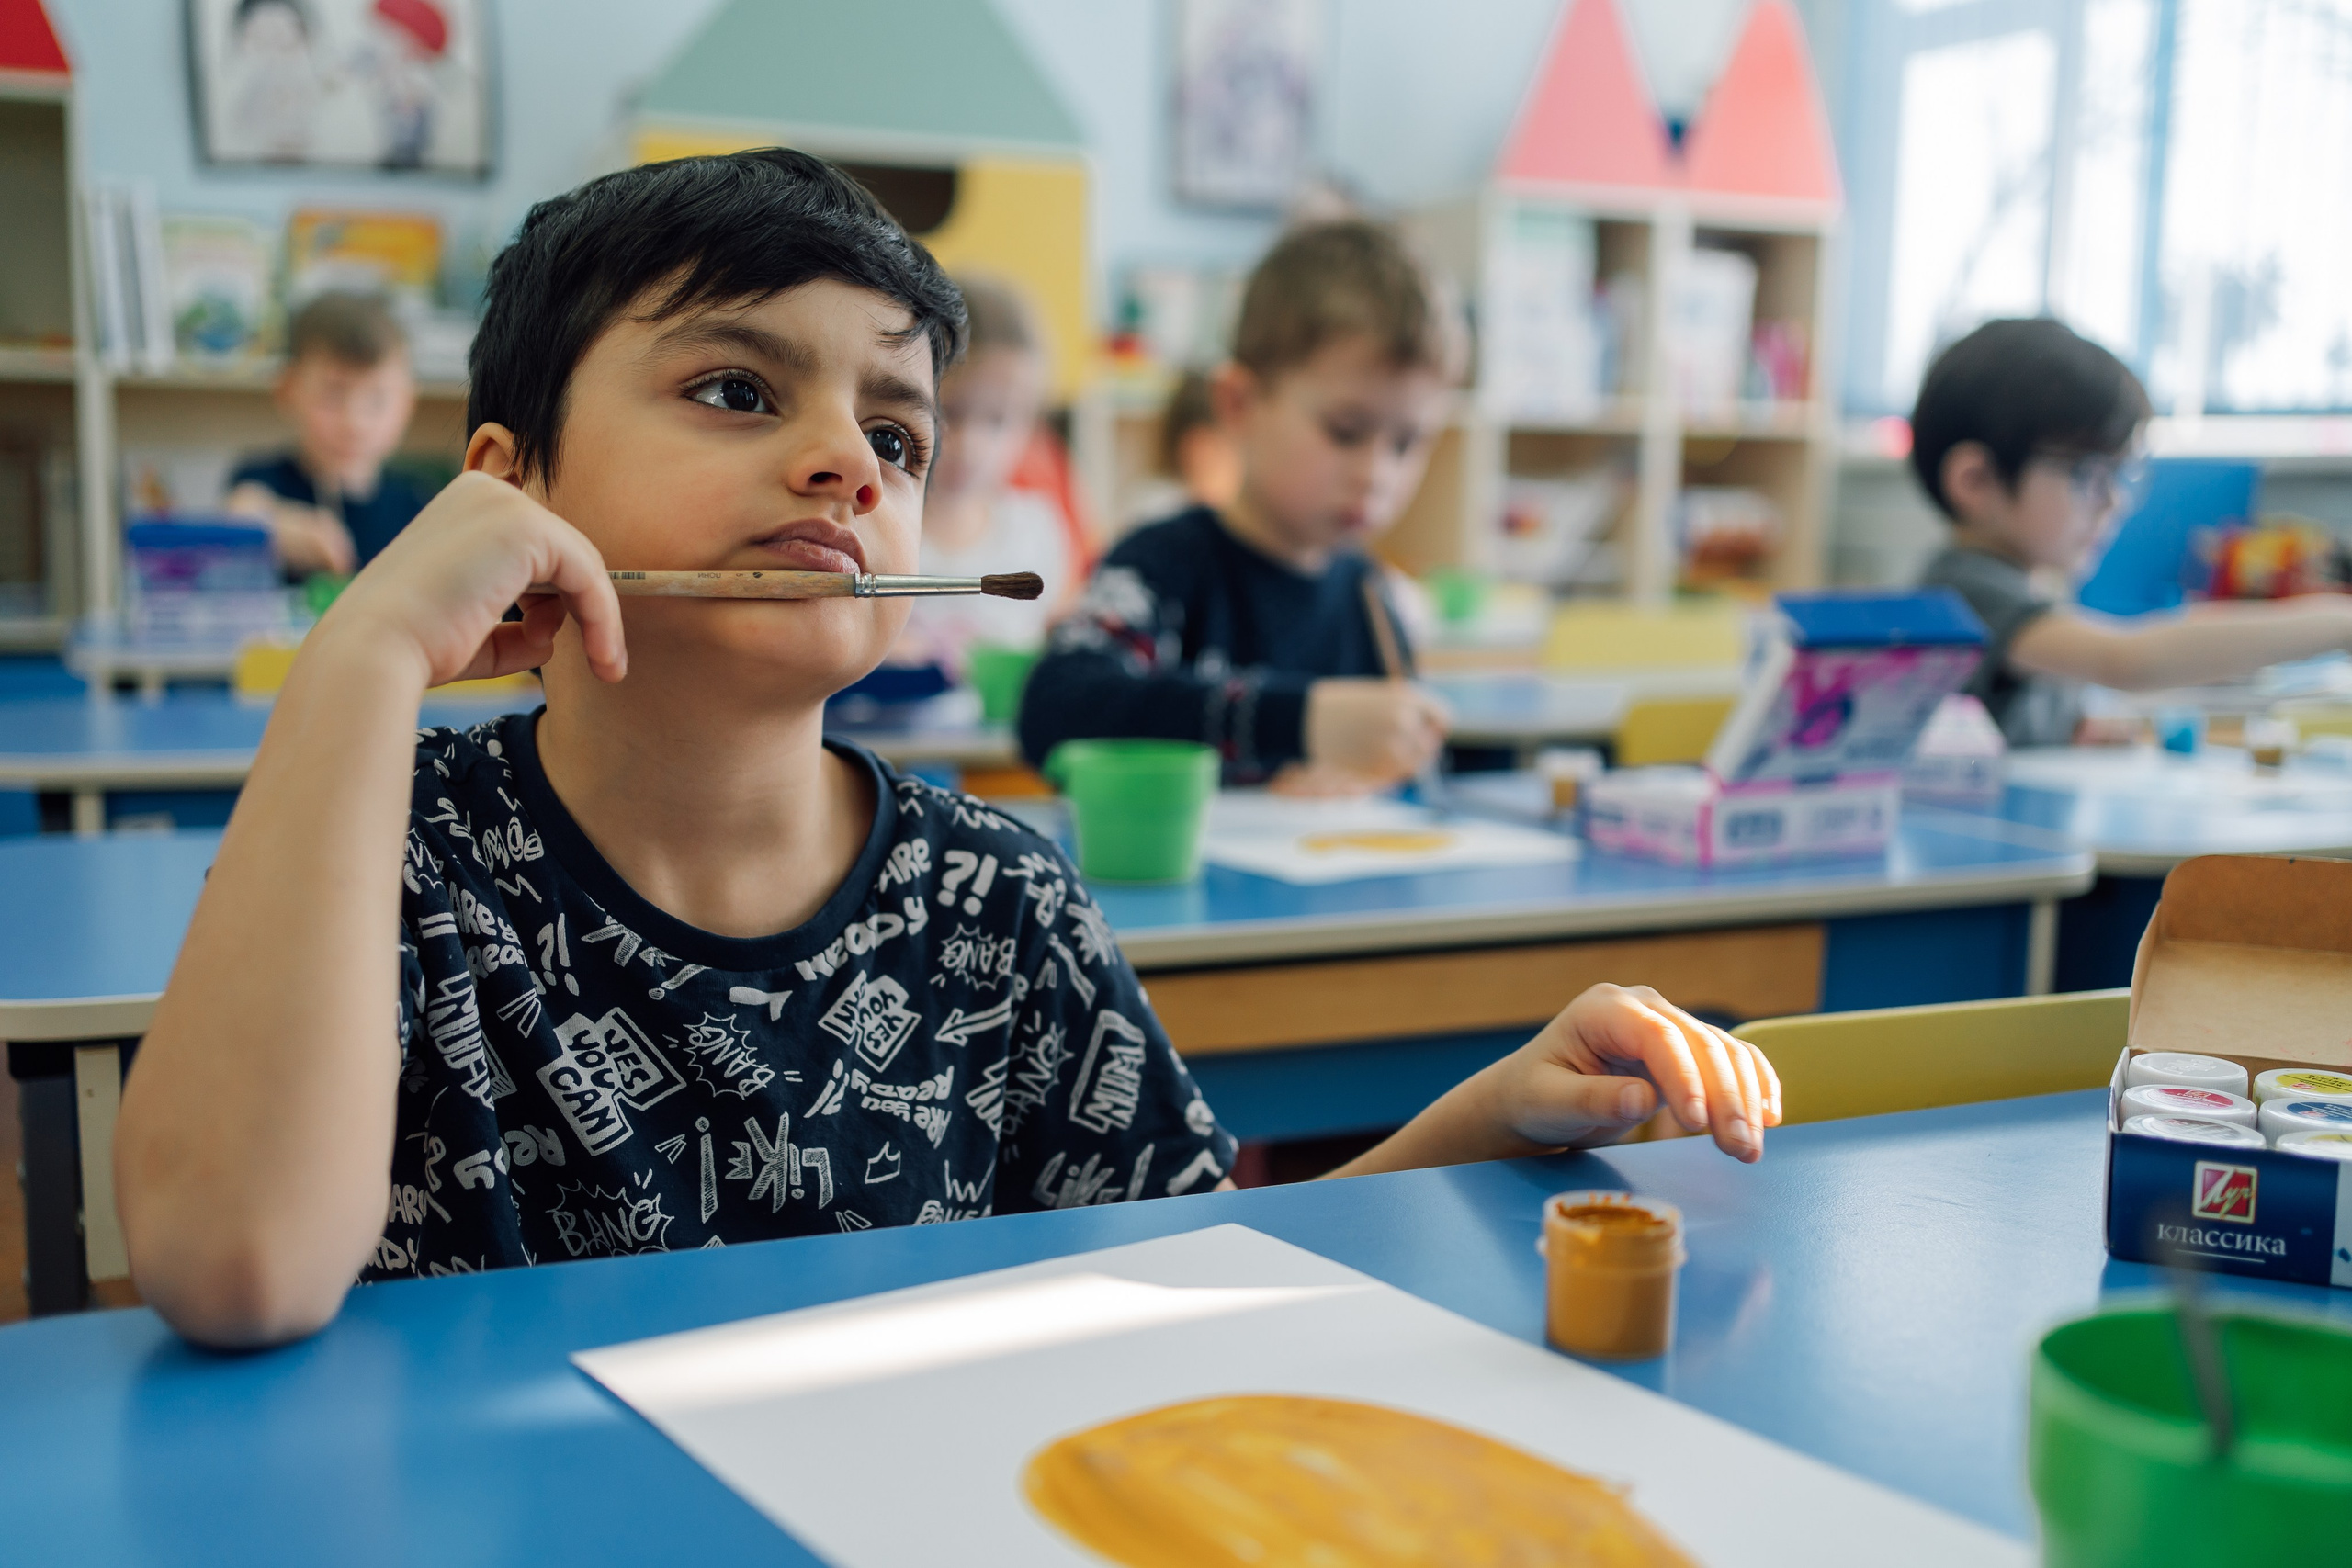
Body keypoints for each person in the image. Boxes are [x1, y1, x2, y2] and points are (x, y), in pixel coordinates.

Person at [114, 151, 1779, 1349]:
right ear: (509, 489)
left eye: (895, 432)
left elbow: (1199, 1274)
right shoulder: (380, 850)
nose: (849, 459)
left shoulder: (993, 896)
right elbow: (235, 1267)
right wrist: (365, 655)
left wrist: (1498, 1112)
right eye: (737, 391)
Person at [1020, 221, 1453, 793]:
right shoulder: (1162, 564)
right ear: (1239, 404)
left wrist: (1389, 771)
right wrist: (1303, 722)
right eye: (1346, 431)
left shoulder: (1373, 600)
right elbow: (1056, 709)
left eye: (1407, 442)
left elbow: (1410, 788)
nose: (1379, 474)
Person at [1914, 317, 2352, 745]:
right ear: (1976, 480)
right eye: (2087, 474)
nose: (2114, 501)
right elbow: (2128, 660)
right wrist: (2341, 622)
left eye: (2121, 475)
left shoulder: (2028, 590)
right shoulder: (1963, 594)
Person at [891, 276, 1079, 673]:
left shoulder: (1035, 530)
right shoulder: (879, 522)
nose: (970, 445)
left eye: (998, 421)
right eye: (951, 411)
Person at [225, 290, 428, 581]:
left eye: (377, 400)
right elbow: (240, 514)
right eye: (333, 394)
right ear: (288, 391)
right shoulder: (262, 478)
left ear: (407, 404)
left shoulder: (417, 503)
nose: (354, 423)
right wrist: (279, 527)